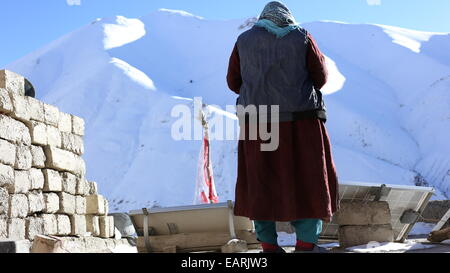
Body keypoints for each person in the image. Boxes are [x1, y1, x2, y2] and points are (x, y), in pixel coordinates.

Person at [226, 1, 339, 253]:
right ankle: (305, 244)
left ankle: (269, 246)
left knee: (260, 180)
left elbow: (233, 82)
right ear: (289, 18)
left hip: (258, 123)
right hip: (302, 123)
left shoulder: (244, 40)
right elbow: (320, 77)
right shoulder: (302, 37)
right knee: (308, 179)